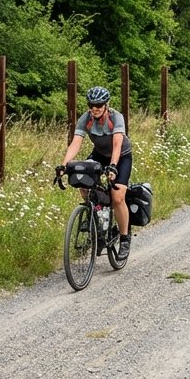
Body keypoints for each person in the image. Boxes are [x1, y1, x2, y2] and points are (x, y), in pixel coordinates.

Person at [60, 86, 134, 259]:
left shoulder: (116, 117)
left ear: (106, 105)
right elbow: (76, 143)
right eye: (92, 104)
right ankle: (96, 215)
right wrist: (64, 165)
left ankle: (124, 238)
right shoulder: (86, 119)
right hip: (99, 154)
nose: (95, 108)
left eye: (99, 105)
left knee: (117, 197)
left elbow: (117, 144)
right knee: (81, 177)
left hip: (121, 156)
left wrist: (113, 166)